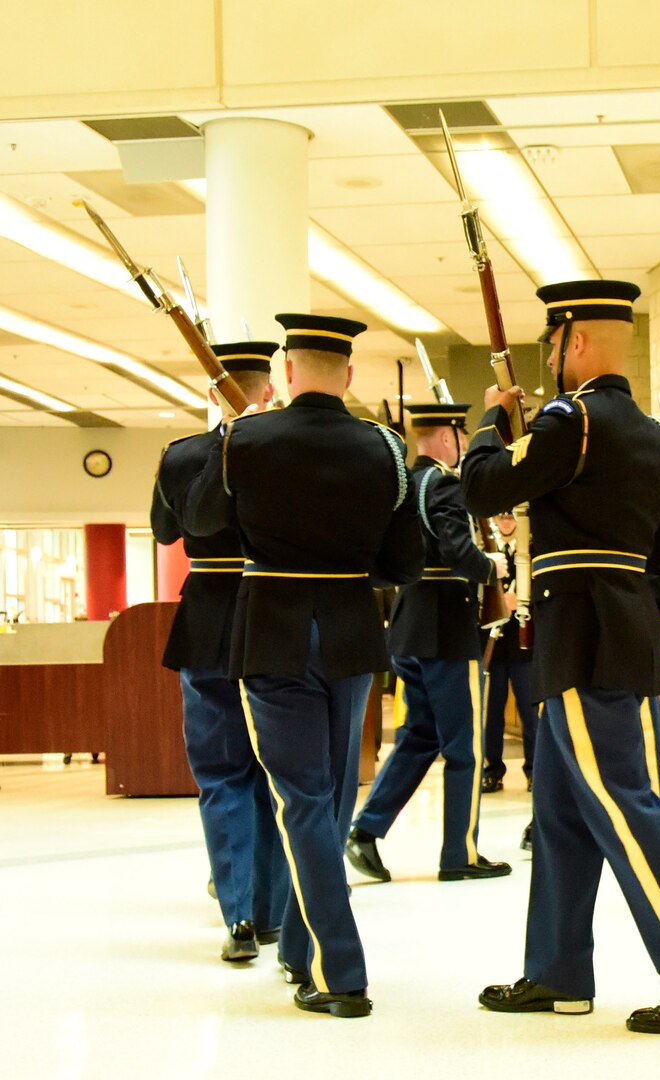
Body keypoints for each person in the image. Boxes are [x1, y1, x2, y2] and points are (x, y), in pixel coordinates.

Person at [463, 279, 660, 1035]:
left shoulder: (572, 419)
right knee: (562, 813)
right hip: (615, 624)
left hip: (579, 634)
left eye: (552, 345)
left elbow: (483, 485)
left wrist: (493, 425)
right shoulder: (654, 434)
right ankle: (557, 972)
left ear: (576, 342)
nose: (549, 360)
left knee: (626, 807)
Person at [183, 313, 424, 1018]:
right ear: (348, 376)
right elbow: (404, 560)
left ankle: (338, 970)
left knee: (304, 800)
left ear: (287, 372)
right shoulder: (383, 445)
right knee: (332, 794)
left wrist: (230, 440)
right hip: (349, 630)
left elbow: (199, 522)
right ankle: (300, 949)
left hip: (274, 630)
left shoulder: (245, 437)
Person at [151, 340, 289, 962]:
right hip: (272, 618)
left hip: (208, 618)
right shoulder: (288, 451)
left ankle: (237, 913)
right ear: (270, 390)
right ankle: (274, 913)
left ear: (215, 392)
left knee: (221, 774)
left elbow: (163, 531)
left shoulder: (181, 456)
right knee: (280, 772)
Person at [345, 402, 511, 884]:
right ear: (448, 438)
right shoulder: (444, 483)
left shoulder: (405, 483)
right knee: (466, 747)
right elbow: (458, 552)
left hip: (409, 625)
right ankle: (460, 853)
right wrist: (490, 568)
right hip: (446, 629)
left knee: (420, 736)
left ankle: (366, 830)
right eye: (461, 438)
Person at [480, 510, 543, 801]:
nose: (506, 521)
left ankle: (534, 771)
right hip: (493, 644)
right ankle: (492, 771)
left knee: (530, 712)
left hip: (522, 644)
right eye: (501, 517)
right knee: (492, 713)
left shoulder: (529, 553)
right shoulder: (487, 552)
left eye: (510, 516)